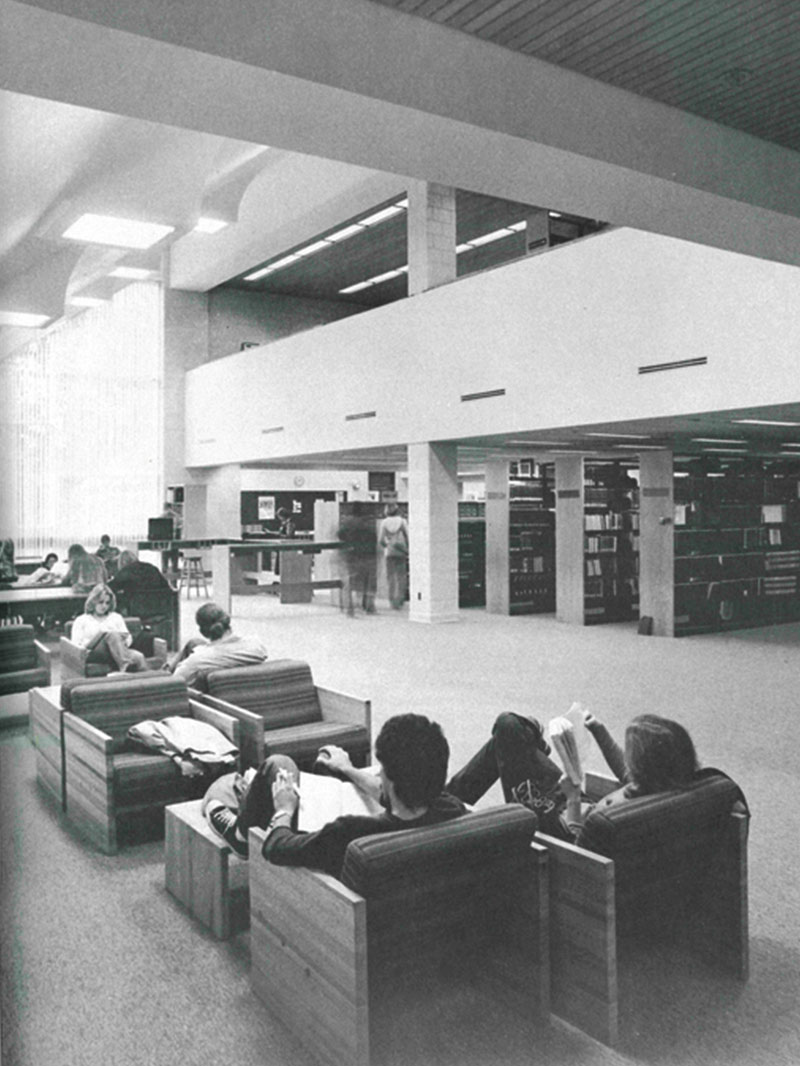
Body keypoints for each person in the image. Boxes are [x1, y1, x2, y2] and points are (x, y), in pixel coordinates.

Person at [446, 709, 741, 848]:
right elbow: (625, 773)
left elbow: (579, 852)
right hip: (569, 798)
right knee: (507, 736)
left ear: (646, 767)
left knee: (507, 729)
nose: (628, 764)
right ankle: (449, 798)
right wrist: (599, 732)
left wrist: (573, 797)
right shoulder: (665, 786)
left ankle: (446, 801)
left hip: (554, 825)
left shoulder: (615, 819)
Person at [205, 712, 467, 869]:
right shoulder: (452, 808)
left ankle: (239, 833)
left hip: (318, 863)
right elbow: (394, 795)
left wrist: (284, 809)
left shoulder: (350, 833)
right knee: (316, 773)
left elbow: (277, 847)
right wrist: (347, 769)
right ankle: (245, 795)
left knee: (279, 765)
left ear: (390, 780)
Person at [169, 602, 267, 687]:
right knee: (193, 643)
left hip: (203, 703)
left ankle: (166, 669)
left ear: (203, 631)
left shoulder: (196, 660)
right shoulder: (257, 646)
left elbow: (174, 683)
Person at [70, 583, 148, 673]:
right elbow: (75, 645)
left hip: (117, 651)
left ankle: (151, 681)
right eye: (101, 602)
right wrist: (95, 640)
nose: (104, 606)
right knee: (111, 634)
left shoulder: (116, 617)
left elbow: (128, 637)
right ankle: (125, 665)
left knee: (139, 656)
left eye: (107, 603)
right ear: (93, 601)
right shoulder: (81, 620)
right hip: (93, 653)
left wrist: (123, 641)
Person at [109, 549, 172, 634]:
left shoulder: (126, 571)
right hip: (160, 609)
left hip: (138, 611)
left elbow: (109, 588)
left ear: (122, 563)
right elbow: (167, 588)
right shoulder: (152, 568)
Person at [337, 502, 378, 616]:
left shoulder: (348, 523)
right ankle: (369, 606)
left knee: (349, 581)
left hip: (352, 555)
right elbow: (373, 538)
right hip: (367, 555)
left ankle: (350, 608)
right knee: (368, 582)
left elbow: (340, 535)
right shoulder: (368, 523)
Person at [378, 503, 409, 609]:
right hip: (401, 552)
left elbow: (381, 540)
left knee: (391, 577)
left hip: (389, 553)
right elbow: (408, 536)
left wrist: (387, 546)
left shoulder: (384, 522)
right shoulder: (402, 521)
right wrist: (407, 549)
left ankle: (392, 601)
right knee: (401, 577)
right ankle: (400, 600)